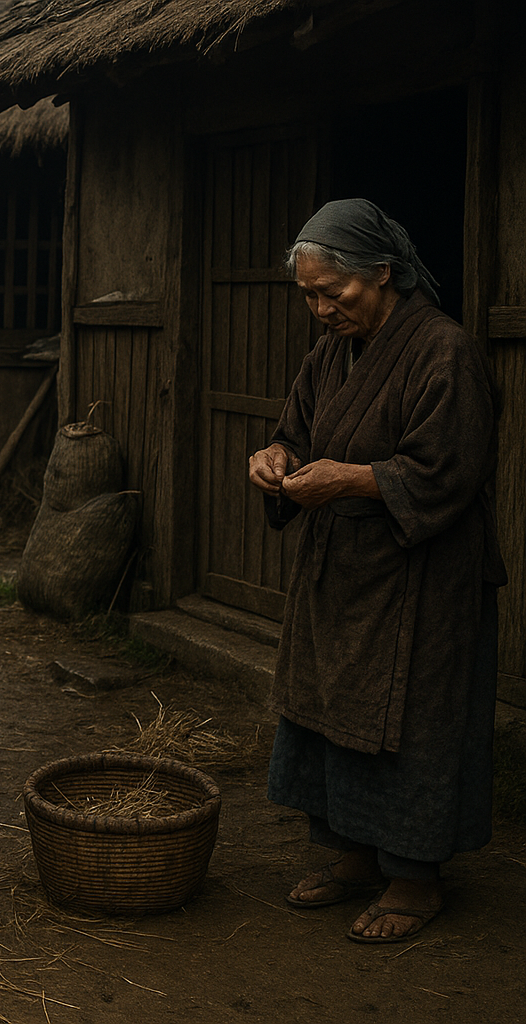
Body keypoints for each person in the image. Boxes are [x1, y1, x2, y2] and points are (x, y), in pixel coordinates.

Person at [248, 199, 504, 943]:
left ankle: (415, 880)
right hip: (341, 572)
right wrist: (276, 459)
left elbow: (448, 470)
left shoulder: (443, 351)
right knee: (334, 713)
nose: (322, 308)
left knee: (413, 722)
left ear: (383, 274)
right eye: (309, 296)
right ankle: (352, 855)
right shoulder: (331, 353)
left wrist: (353, 481)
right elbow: (295, 431)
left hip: (423, 578)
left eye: (336, 292)